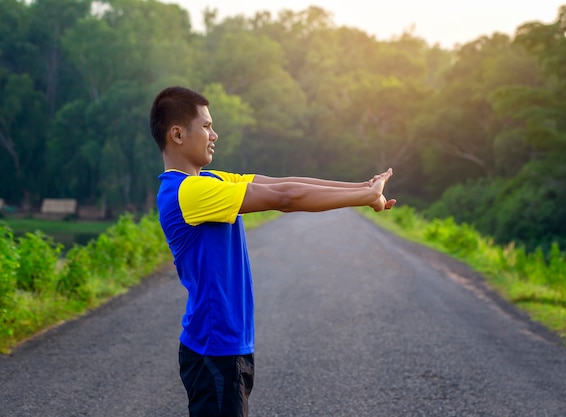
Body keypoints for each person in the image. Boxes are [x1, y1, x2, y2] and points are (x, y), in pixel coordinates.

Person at [149, 85, 396, 417]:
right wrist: (364, 197)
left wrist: (364, 188)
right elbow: (285, 199)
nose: (214, 135)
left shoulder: (209, 180)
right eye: (206, 126)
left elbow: (281, 184)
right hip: (215, 347)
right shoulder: (189, 191)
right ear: (177, 134)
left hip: (225, 344)